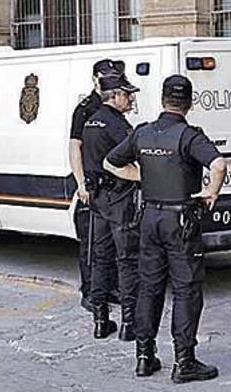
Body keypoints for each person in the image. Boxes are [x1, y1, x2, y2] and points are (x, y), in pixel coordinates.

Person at [105, 75, 228, 383]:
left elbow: (110, 163)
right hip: (180, 220)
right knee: (186, 290)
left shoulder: (143, 133)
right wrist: (211, 192)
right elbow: (219, 165)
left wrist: (143, 177)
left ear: (162, 99)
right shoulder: (189, 136)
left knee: (150, 287)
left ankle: (144, 356)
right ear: (189, 102)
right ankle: (184, 361)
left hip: (149, 219)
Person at [81, 73, 141, 341]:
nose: (131, 99)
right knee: (127, 259)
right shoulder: (117, 125)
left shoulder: (90, 121)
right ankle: (129, 323)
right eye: (127, 94)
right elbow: (129, 158)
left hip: (97, 198)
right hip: (118, 198)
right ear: (114, 96)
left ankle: (100, 320)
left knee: (100, 259)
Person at [69, 59, 125, 311]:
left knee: (109, 243)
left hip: (114, 186)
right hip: (93, 184)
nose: (109, 78)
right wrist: (81, 183)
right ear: (94, 79)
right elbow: (74, 147)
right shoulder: (85, 108)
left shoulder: (114, 102)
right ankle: (90, 292)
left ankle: (109, 289)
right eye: (105, 75)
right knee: (91, 242)